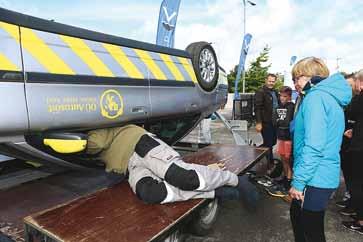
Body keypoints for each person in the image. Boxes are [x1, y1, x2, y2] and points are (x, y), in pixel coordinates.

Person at [86, 124, 258, 206]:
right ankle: (215, 191)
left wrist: (75, 139)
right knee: (150, 193)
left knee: (183, 177)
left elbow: (97, 143)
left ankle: (236, 180)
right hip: (128, 165)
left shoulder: (91, 121)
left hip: (140, 144)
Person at [288, 57, 352, 242]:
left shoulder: (316, 98)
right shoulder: (328, 98)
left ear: (311, 76)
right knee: (302, 221)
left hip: (315, 176)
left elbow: (314, 145)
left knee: (311, 231)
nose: (295, 84)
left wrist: (299, 182)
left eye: (297, 78)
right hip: (321, 173)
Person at [342, 69, 363, 235]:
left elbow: (351, 110)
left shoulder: (359, 98)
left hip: (358, 148)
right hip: (355, 143)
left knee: (357, 184)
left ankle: (361, 220)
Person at [254, 74, 279, 170]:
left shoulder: (275, 92)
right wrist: (259, 122)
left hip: (275, 122)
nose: (271, 83)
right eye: (270, 81)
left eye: (273, 81)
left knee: (273, 141)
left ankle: (257, 150)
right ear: (266, 80)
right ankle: (270, 164)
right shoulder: (261, 92)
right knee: (268, 144)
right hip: (265, 122)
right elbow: (257, 108)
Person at [274, 86, 294, 190]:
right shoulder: (278, 107)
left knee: (288, 159)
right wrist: (278, 121)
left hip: (288, 138)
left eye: (285, 96)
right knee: (282, 158)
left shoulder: (291, 106)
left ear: (289, 96)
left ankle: (289, 180)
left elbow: (287, 123)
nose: (282, 98)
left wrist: (278, 121)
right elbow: (274, 120)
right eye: (281, 96)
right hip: (280, 136)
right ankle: (285, 177)